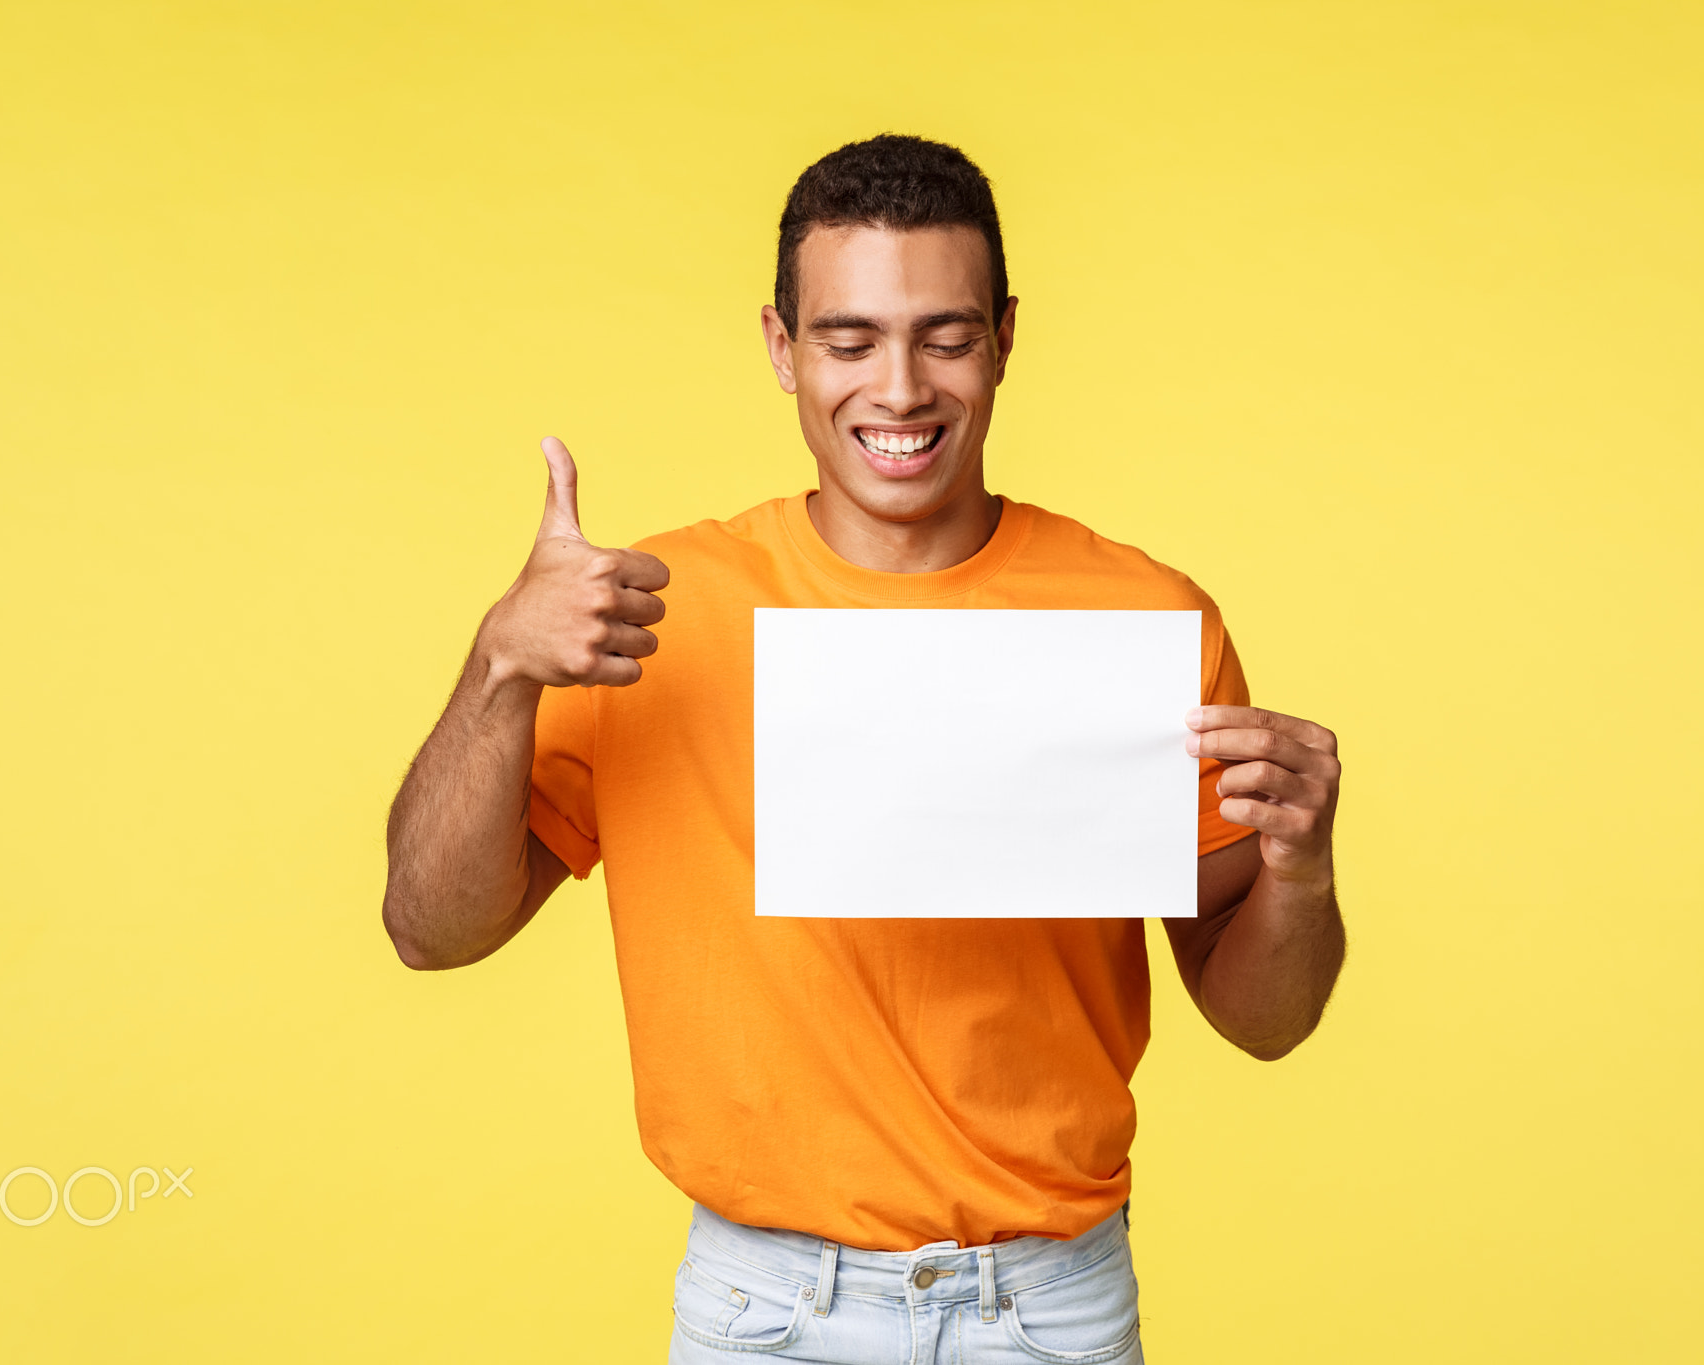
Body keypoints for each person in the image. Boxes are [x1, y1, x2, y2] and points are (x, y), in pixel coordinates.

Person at [383, 134, 1344, 1364]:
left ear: (1002, 337)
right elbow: (431, 929)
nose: (897, 389)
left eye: (942, 337)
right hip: (763, 1313)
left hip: (1045, 1310)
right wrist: (500, 664)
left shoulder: (1144, 619)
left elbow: (1262, 1019)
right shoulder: (651, 614)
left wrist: (1301, 872)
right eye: (847, 341)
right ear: (782, 349)